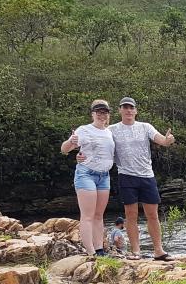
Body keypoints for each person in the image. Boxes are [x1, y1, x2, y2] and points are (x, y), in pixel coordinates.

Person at [110, 97, 176, 260]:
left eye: (131, 108)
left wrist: (168, 140)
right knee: (131, 215)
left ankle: (159, 251)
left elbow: (161, 140)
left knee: (152, 214)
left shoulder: (145, 126)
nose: (128, 110)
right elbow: (99, 144)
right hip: (126, 175)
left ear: (136, 111)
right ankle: (136, 252)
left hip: (147, 175)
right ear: (120, 110)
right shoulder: (112, 129)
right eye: (125, 107)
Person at [60, 99, 115, 256]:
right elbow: (64, 149)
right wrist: (71, 142)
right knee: (88, 216)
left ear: (108, 114)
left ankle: (99, 250)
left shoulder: (109, 132)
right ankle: (90, 252)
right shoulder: (84, 130)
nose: (101, 115)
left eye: (104, 112)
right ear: (93, 114)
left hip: (104, 176)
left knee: (99, 215)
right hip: (86, 174)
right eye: (98, 112)